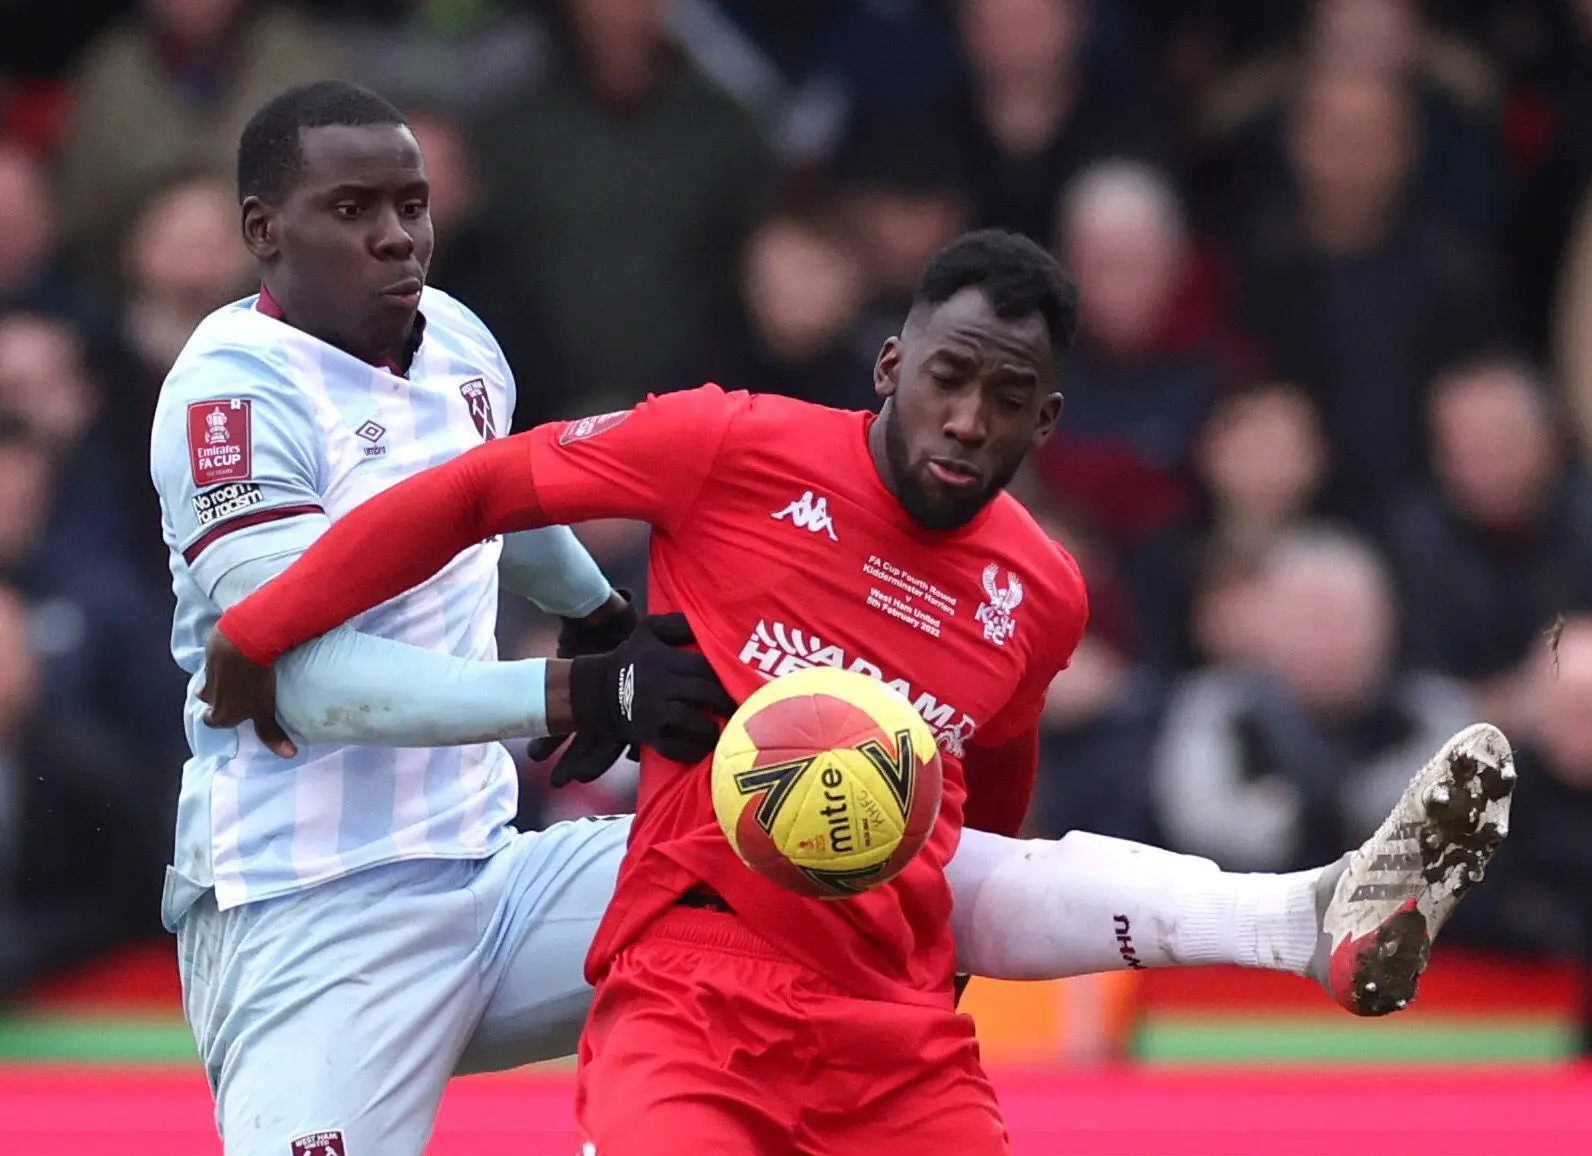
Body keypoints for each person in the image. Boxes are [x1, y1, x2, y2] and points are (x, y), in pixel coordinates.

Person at [202, 207, 1517, 1149]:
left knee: (971, 861)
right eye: (948, 380)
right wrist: (266, 625)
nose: (969, 421)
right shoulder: (725, 447)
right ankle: (1293, 920)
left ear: (1047, 419)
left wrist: (930, 968)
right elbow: (485, 487)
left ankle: (1312, 924)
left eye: (1010, 399)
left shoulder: (1040, 593)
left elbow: (986, 822)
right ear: (892, 366)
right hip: (695, 992)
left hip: (890, 1036)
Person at [148, 81, 736, 1156]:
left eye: (411, 206)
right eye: (353, 209)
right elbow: (310, 680)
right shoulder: (225, 400)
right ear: (261, 231)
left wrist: (595, 609)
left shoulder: (457, 338)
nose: (396, 239)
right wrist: (578, 688)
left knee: (778, 872)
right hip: (308, 912)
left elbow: (493, 495)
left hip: (491, 878)